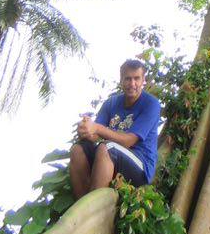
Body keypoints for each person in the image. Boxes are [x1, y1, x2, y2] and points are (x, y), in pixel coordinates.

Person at [69, 58, 161, 197]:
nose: (132, 83)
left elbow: (129, 141)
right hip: (111, 155)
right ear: (121, 80)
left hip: (140, 165)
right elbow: (95, 135)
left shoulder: (151, 104)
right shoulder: (111, 103)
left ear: (143, 80)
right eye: (128, 79)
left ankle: (95, 210)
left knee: (107, 148)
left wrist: (97, 128)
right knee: (78, 149)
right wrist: (86, 130)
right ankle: (81, 207)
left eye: (137, 78)